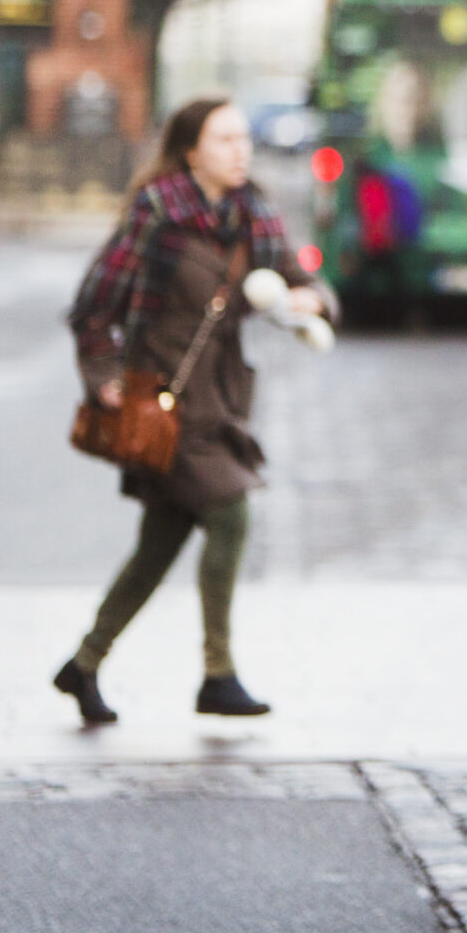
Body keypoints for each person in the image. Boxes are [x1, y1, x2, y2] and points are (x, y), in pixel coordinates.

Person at [51, 97, 336, 726]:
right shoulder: (157, 217)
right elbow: (94, 305)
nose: (241, 150)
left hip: (221, 402)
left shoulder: (253, 215)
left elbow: (302, 276)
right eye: (225, 139)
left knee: (159, 545)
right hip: (161, 405)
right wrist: (103, 379)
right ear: (191, 151)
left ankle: (85, 663)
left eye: (244, 138)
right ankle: (218, 674)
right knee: (230, 515)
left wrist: (312, 301)